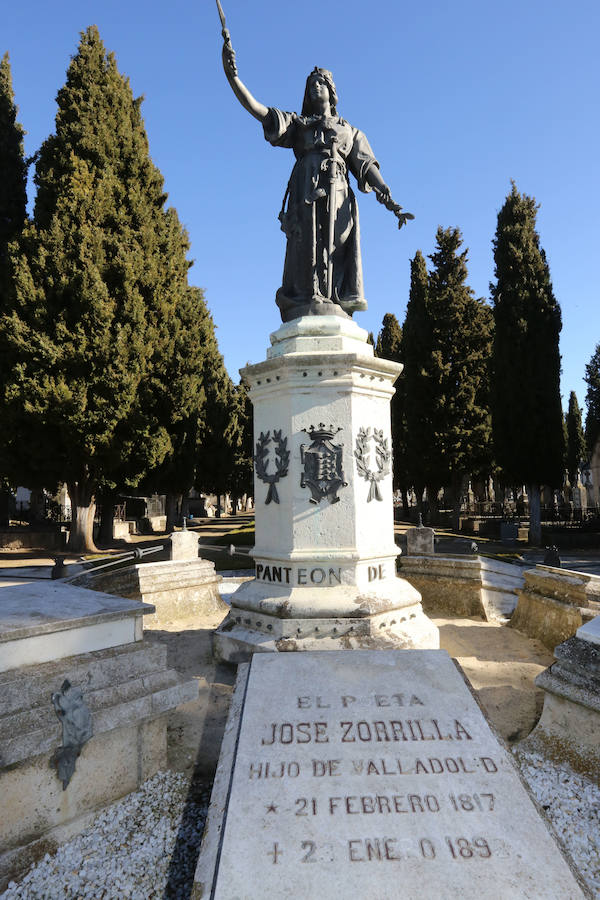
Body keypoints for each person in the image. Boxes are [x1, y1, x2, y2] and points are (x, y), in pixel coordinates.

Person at [222, 43, 402, 323]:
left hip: (338, 192)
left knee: (336, 248)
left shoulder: (350, 131)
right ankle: (307, 299)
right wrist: (233, 78)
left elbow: (365, 165)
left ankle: (335, 300)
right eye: (310, 84)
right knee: (305, 246)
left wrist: (384, 190)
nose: (315, 87)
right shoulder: (299, 125)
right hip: (306, 191)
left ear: (331, 90)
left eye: (320, 82)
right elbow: (260, 111)